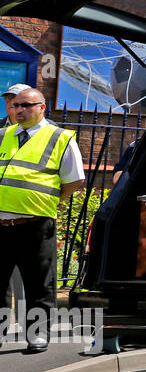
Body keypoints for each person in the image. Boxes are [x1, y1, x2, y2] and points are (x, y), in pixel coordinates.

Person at [0, 87, 85, 353]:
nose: (19, 110)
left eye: (26, 105)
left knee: (39, 284)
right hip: (1, 224)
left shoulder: (60, 138)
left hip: (36, 224)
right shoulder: (3, 134)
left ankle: (37, 334)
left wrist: (47, 200)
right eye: (15, 106)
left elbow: (76, 180)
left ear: (42, 107)